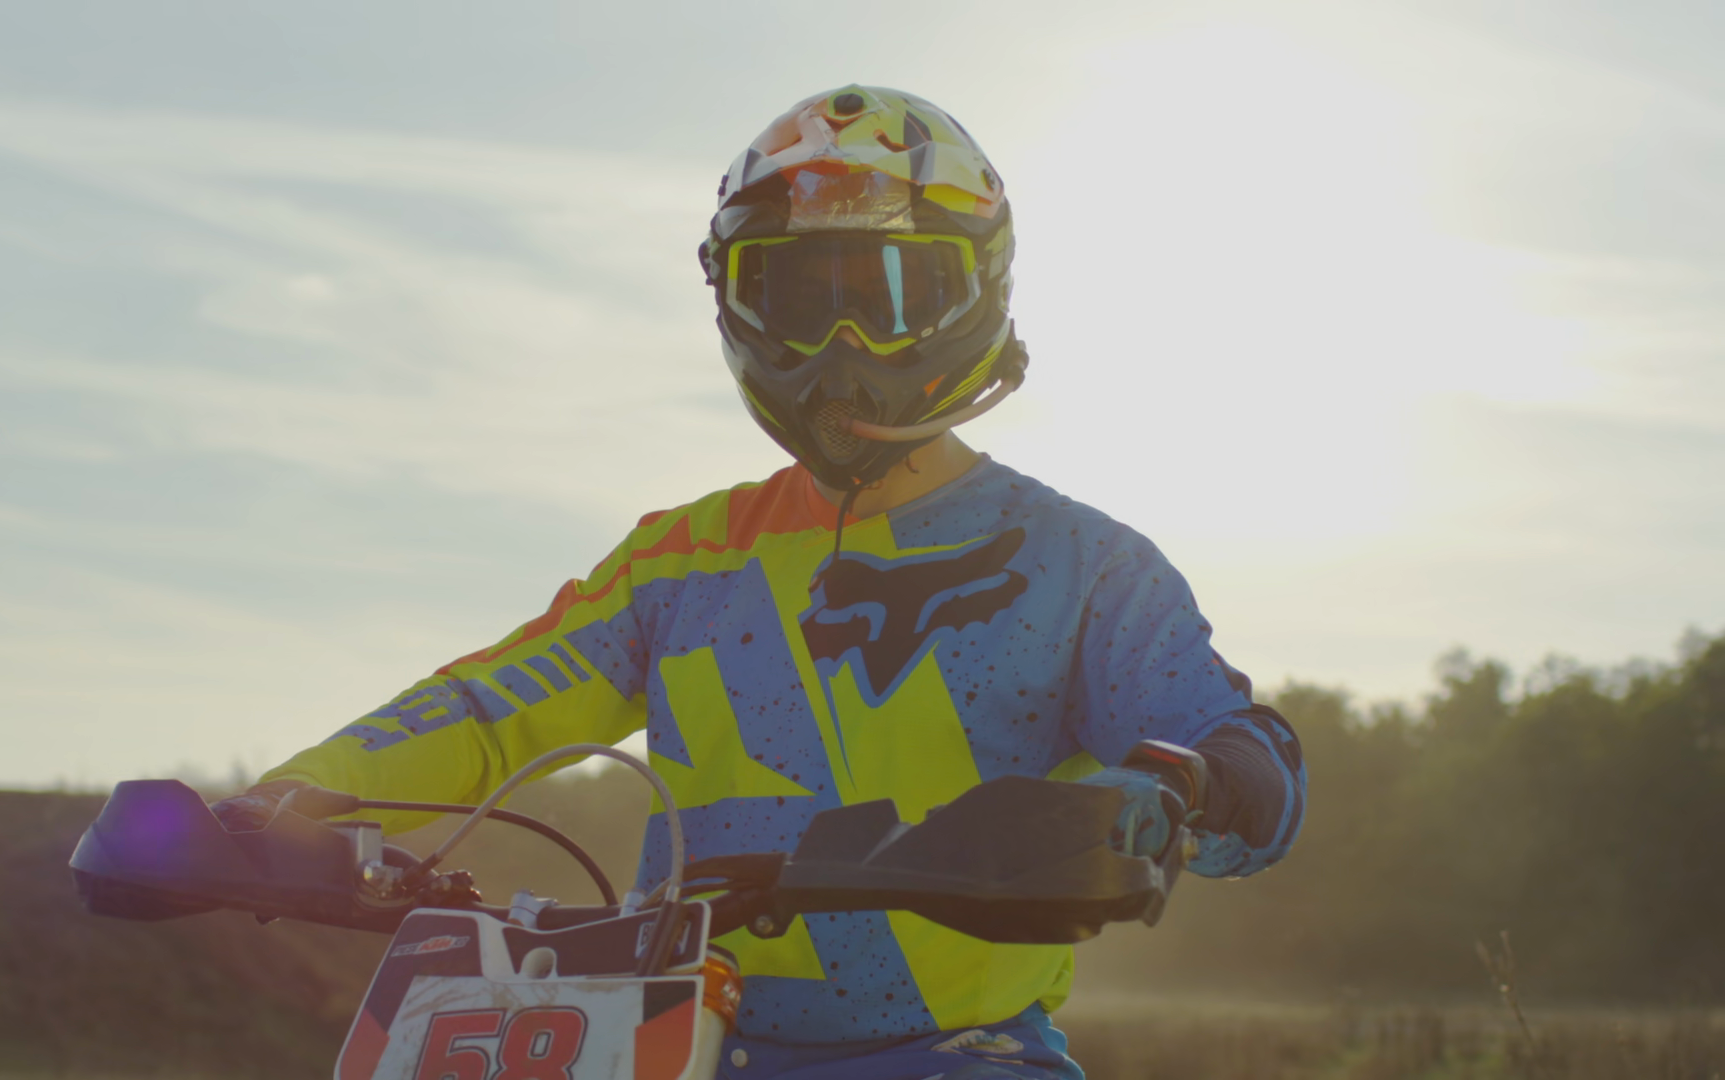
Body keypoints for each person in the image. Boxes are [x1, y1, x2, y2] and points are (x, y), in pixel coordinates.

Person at [215, 85, 1306, 1080]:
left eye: (891, 294)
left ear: (977, 288)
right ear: (733, 302)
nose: (841, 343)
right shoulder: (681, 559)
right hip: (662, 1041)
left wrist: (1176, 796)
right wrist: (270, 806)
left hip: (956, 1059)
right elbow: (491, 709)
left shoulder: (1085, 567)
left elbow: (1241, 754)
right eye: (794, 295)